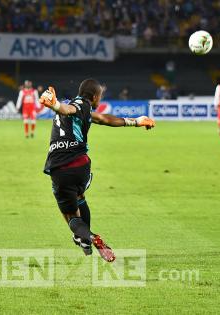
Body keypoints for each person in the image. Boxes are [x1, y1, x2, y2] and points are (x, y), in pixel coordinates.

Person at [39, 78, 156, 262]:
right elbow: (94, 116)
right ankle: (83, 238)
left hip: (60, 167)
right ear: (94, 96)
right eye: (100, 96)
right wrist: (136, 122)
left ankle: (89, 237)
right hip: (81, 165)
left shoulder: (76, 106)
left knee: (71, 216)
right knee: (79, 197)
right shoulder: (81, 106)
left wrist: (54, 105)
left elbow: (74, 111)